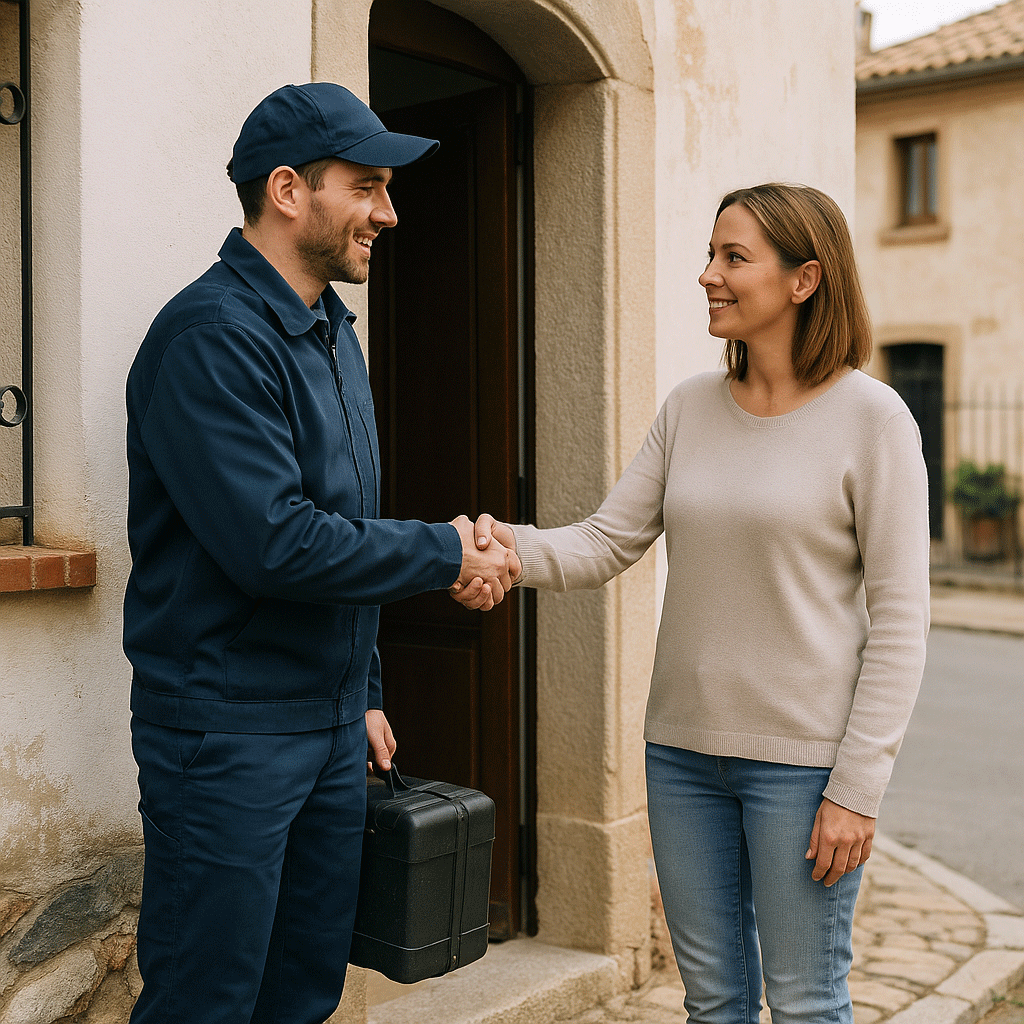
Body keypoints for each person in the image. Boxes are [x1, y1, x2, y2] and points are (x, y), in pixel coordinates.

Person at [463, 183, 930, 1023]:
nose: (708, 274)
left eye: (733, 257)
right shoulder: (688, 408)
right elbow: (608, 539)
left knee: (805, 1002)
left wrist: (856, 789)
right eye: (711, 254)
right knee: (711, 1002)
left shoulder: (875, 420)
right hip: (680, 756)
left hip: (804, 766)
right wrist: (507, 549)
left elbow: (902, 622)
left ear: (805, 279)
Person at [123, 82, 519, 1024]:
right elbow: (279, 543)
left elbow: (348, 517)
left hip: (331, 732)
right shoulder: (210, 339)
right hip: (227, 737)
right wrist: (447, 551)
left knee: (304, 992)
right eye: (368, 186)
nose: (389, 212)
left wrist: (368, 693)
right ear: (289, 190)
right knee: (205, 1000)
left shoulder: (335, 332)